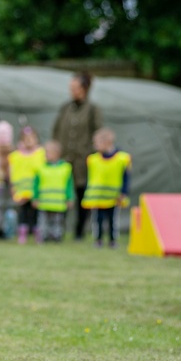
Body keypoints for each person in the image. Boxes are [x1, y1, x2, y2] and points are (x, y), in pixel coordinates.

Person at [52, 71, 103, 240]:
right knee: (61, 195)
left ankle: (79, 231)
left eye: (75, 87)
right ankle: (57, 229)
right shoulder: (65, 108)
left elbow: (99, 134)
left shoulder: (93, 109)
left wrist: (93, 153)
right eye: (71, 87)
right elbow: (56, 131)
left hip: (83, 160)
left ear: (84, 88)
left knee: (82, 195)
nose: (72, 90)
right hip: (65, 160)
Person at [82, 128, 131, 248]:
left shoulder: (122, 159)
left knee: (112, 221)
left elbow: (126, 177)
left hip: (114, 198)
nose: (95, 145)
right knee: (97, 220)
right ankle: (98, 240)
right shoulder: (93, 159)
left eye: (97, 142)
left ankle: (112, 241)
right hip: (97, 198)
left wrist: (123, 192)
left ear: (107, 142)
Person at [8, 126, 45, 244]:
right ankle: (22, 234)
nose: (29, 141)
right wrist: (13, 187)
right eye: (26, 138)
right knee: (23, 212)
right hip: (21, 191)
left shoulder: (41, 153)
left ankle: (37, 234)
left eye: (32, 138)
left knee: (36, 213)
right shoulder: (16, 155)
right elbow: (12, 171)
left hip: (36, 191)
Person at [33, 140, 74, 243]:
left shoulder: (66, 168)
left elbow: (69, 185)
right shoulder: (40, 168)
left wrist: (70, 198)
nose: (45, 154)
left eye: (47, 152)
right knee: (43, 221)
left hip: (58, 203)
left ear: (56, 153)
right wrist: (35, 197)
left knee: (57, 221)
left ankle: (56, 236)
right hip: (44, 202)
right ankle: (43, 236)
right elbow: (36, 185)